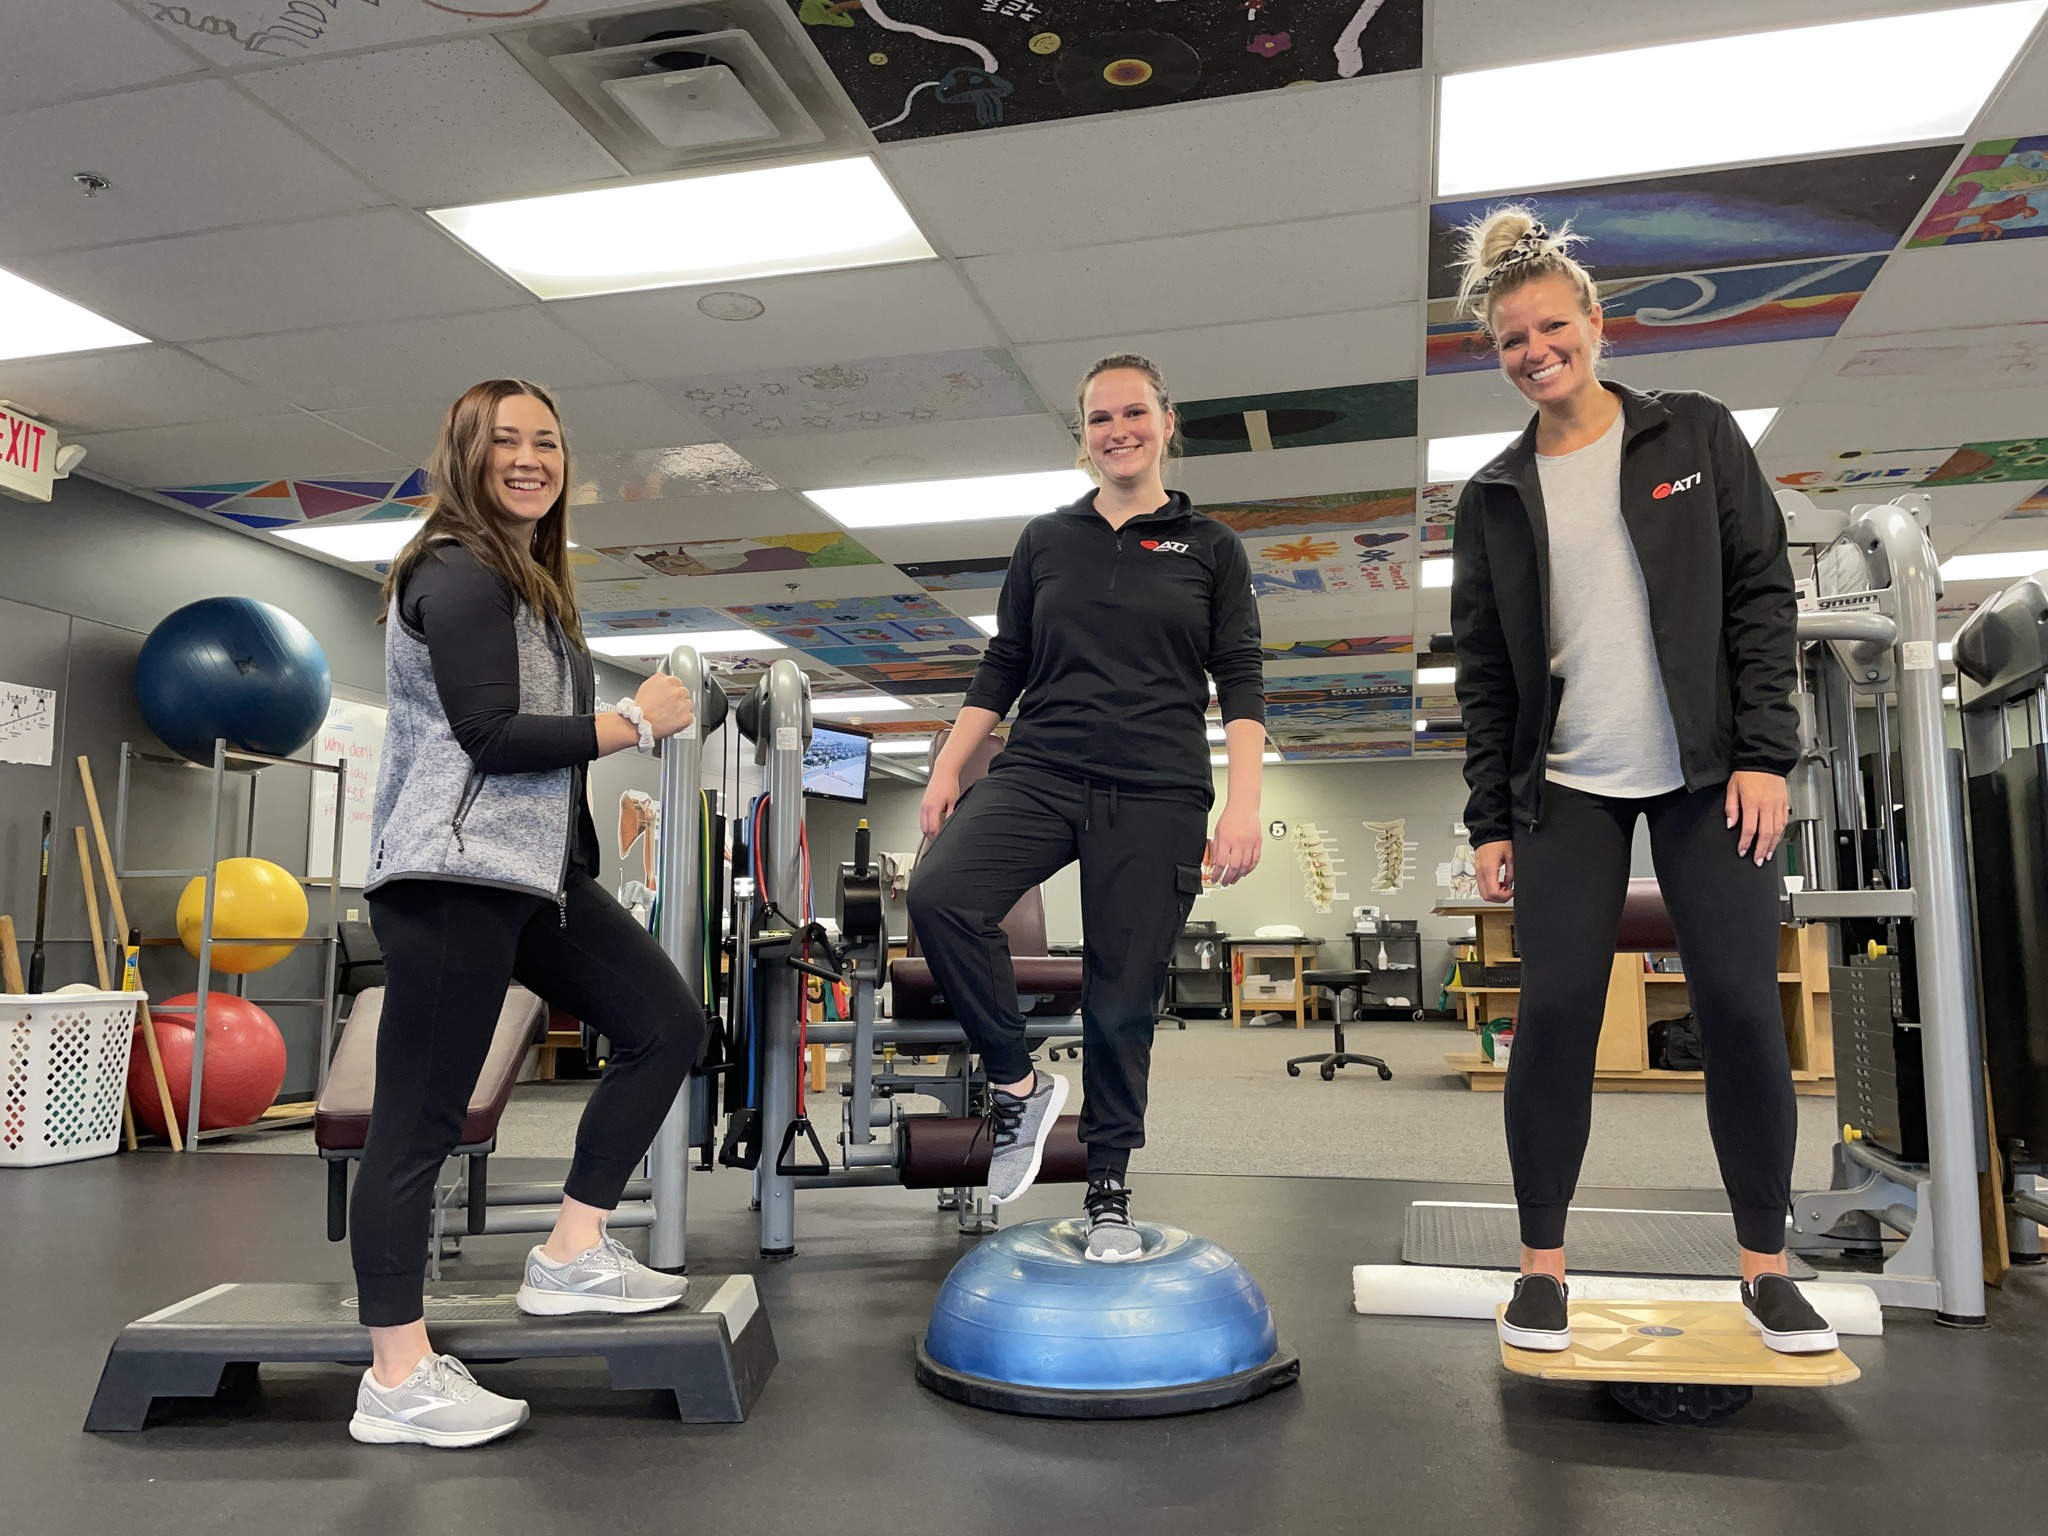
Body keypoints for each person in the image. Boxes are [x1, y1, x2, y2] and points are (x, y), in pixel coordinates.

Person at [1447, 210, 1838, 1357]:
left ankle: (1764, 1268)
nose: (1534, 351)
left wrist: (1764, 754)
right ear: (1495, 352)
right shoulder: (1494, 493)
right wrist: (1488, 817)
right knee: (1555, 1010)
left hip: (1706, 776)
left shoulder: (1693, 433)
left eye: (1549, 327)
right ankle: (1539, 1270)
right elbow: (1484, 672)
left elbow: (1759, 595)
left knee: (1738, 1007)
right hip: (1565, 785)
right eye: (1511, 339)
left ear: (1593, 320)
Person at [349, 378, 709, 1447]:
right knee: (419, 1123)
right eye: (503, 440)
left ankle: (570, 1252)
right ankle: (395, 1377)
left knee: (667, 1024)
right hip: (450, 878)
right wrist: (634, 723)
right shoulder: (455, 570)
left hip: (531, 876)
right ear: (464, 454)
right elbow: (492, 738)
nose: (528, 458)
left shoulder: (529, 582)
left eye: (545, 442)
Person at [906, 354, 1267, 1263]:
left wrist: (1244, 804)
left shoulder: (1211, 547)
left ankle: (1108, 1191)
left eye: (1133, 412)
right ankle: (1018, 1087)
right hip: (1042, 768)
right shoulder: (1046, 540)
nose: (1118, 430)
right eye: (1100, 418)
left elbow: (1241, 679)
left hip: (1158, 790)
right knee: (941, 894)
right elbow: (1005, 661)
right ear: (1084, 436)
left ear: (1167, 421)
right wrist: (949, 765)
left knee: (1120, 999)